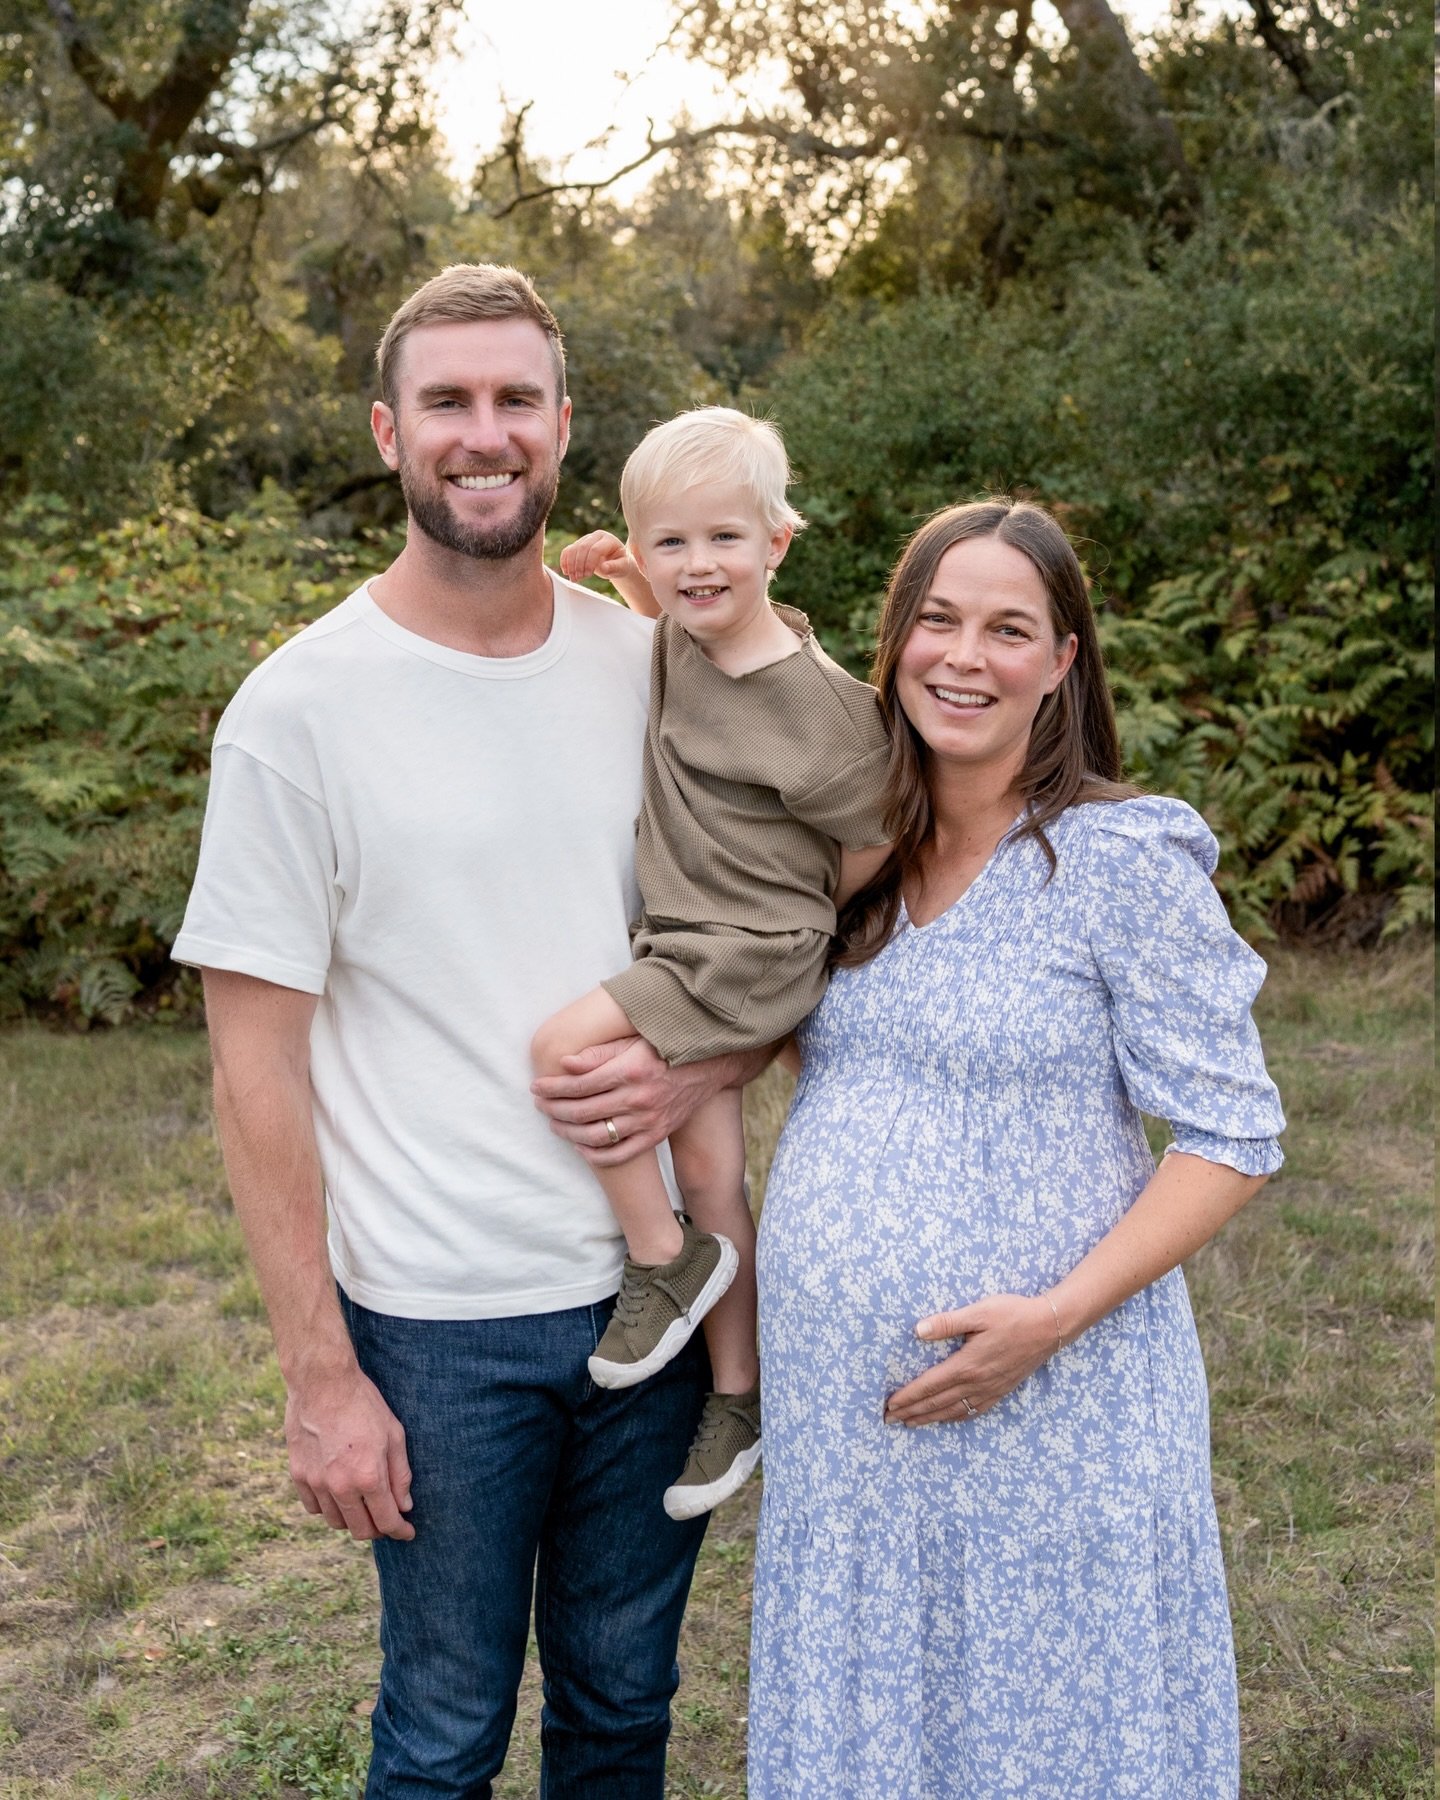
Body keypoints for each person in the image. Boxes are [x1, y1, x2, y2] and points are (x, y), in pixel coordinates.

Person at [173, 263, 766, 1799]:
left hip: (666, 1296)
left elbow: (779, 926)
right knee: (441, 1740)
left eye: (516, 400)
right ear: (389, 430)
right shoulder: (297, 712)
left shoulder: (657, 671)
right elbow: (253, 1070)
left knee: (627, 1708)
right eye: (449, 400)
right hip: (439, 1329)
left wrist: (704, 1067)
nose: (483, 432)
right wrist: (321, 1377)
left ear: (565, 431)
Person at [746, 498, 1286, 1799]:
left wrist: (1051, 1317)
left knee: (1047, 1738)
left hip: (1059, 1408)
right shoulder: (852, 853)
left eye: (1008, 628)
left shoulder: (1116, 857)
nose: (964, 656)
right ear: (894, 645)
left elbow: (1233, 1134)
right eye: (936, 619)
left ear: (1062, 664)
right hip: (848, 1435)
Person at [535, 408, 891, 1521]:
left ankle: (664, 1260)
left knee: (560, 1052)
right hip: (695, 939)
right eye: (669, 543)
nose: (698, 566)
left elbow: (880, 837)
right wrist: (624, 580)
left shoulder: (822, 709)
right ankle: (738, 1400)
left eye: (724, 541)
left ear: (777, 543)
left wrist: (805, 944)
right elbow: (682, 614)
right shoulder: (684, 638)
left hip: (751, 946)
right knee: (713, 1167)